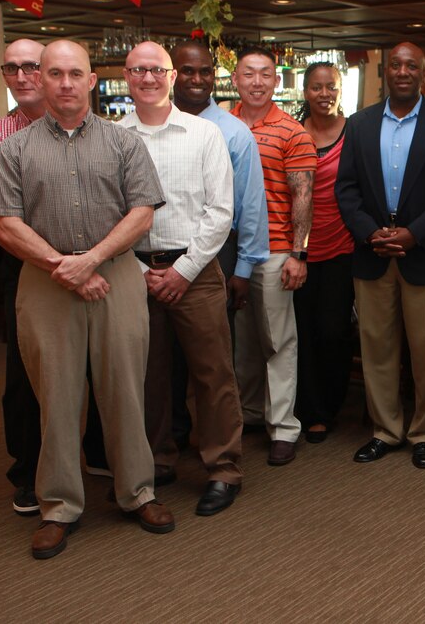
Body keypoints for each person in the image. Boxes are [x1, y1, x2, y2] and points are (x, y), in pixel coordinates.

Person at [0, 40, 174, 559]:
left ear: (92, 81)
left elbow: (142, 212)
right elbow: (3, 221)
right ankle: (59, 506)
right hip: (44, 284)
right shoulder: (12, 150)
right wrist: (61, 267)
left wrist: (89, 261)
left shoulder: (123, 143)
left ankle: (137, 492)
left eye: (76, 74)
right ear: (39, 81)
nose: (65, 83)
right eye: (55, 74)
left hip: (115, 277)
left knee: (125, 391)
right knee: (57, 398)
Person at [0, 39, 108, 514]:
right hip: (27, 265)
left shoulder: (103, 133)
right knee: (32, 375)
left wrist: (87, 261)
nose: (24, 75)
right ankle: (30, 471)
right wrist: (62, 265)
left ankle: (98, 454)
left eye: (33, 66)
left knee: (102, 367)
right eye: (13, 68)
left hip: (98, 263)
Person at [120, 41, 244, 517]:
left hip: (197, 270)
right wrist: (139, 271)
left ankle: (224, 468)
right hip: (133, 270)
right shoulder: (113, 137)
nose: (147, 78)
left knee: (213, 374)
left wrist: (182, 270)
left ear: (171, 76)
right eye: (137, 70)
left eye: (156, 70)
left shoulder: (203, 134)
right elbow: (110, 216)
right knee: (146, 375)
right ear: (126, 78)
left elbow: (221, 212)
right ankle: (156, 460)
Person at [336, 41, 425, 469]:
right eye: (395, 64)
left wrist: (414, 234)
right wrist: (371, 233)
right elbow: (347, 190)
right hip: (373, 254)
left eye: (411, 66)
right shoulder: (359, 125)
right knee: (376, 348)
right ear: (385, 73)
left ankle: (424, 432)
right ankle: (385, 430)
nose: (402, 71)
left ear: (424, 75)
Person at [168, 40, 269, 450]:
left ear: (215, 76)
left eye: (205, 71)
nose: (197, 79)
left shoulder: (233, 132)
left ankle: (214, 444)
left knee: (213, 361)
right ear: (172, 74)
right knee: (165, 360)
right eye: (187, 71)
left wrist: (243, 270)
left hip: (218, 254)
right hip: (160, 256)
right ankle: (172, 438)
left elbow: (250, 206)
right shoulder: (147, 126)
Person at [230, 46, 316, 466]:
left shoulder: (291, 131)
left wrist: (298, 254)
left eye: (266, 74)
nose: (258, 82)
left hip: (277, 250)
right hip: (229, 252)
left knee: (277, 341)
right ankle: (248, 415)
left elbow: (303, 194)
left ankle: (283, 426)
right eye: (249, 74)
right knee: (240, 341)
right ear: (235, 80)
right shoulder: (219, 124)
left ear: (277, 82)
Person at [293, 61, 355, 444]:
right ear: (305, 92)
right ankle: (310, 409)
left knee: (333, 331)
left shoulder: (356, 133)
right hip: (297, 249)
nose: (324, 94)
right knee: (301, 333)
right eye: (316, 87)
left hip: (343, 246)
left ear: (339, 90)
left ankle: (332, 403)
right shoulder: (293, 133)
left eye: (330, 87)